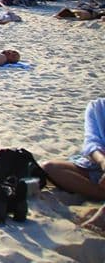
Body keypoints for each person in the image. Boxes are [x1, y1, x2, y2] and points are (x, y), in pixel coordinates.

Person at [42, 99, 105, 232]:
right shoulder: (97, 107)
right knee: (50, 168)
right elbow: (91, 144)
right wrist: (103, 162)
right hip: (97, 168)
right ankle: (101, 194)